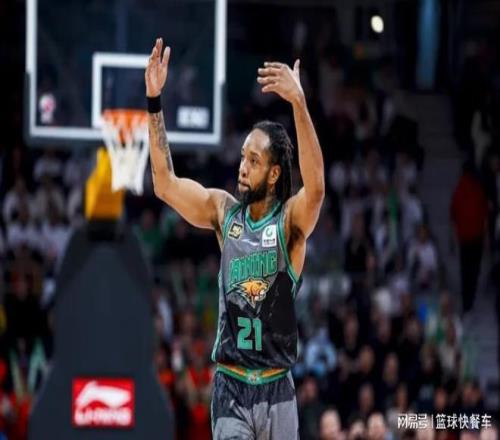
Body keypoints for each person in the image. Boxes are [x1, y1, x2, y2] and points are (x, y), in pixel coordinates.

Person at [145, 38, 325, 439]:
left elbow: (316, 190)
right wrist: (154, 101)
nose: (242, 167)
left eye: (254, 161)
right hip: (231, 386)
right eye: (243, 156)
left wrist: (299, 104)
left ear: (274, 174)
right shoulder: (224, 213)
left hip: (278, 388)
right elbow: (164, 184)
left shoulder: (289, 224)